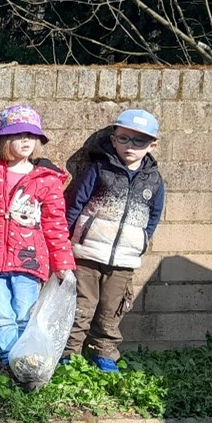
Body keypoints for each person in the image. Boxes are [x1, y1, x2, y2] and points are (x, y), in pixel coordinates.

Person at [0, 106, 76, 373]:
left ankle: (24, 361)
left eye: (32, 134)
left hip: (29, 259)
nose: (26, 140)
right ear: (3, 140)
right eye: (18, 134)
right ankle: (10, 361)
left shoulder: (47, 180)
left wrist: (62, 262)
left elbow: (55, 224)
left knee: (23, 314)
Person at [64, 109, 166, 372]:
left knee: (112, 310)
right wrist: (65, 243)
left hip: (123, 259)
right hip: (87, 253)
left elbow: (153, 216)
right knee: (81, 308)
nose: (130, 146)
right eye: (124, 138)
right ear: (113, 139)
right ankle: (68, 353)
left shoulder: (154, 180)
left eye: (139, 141)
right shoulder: (99, 169)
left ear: (152, 145)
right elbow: (75, 205)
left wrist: (141, 241)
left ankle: (104, 353)